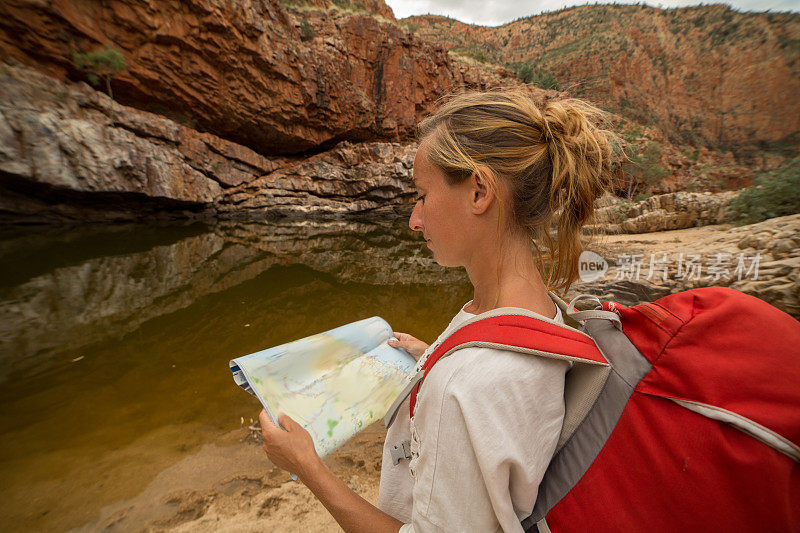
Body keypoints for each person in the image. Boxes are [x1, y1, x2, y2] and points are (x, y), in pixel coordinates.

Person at [258, 87, 620, 532]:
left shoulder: (466, 389)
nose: (414, 219)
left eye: (423, 195)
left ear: (479, 192)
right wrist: (438, 357)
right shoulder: (541, 313)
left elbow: (479, 393)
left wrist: (307, 466)